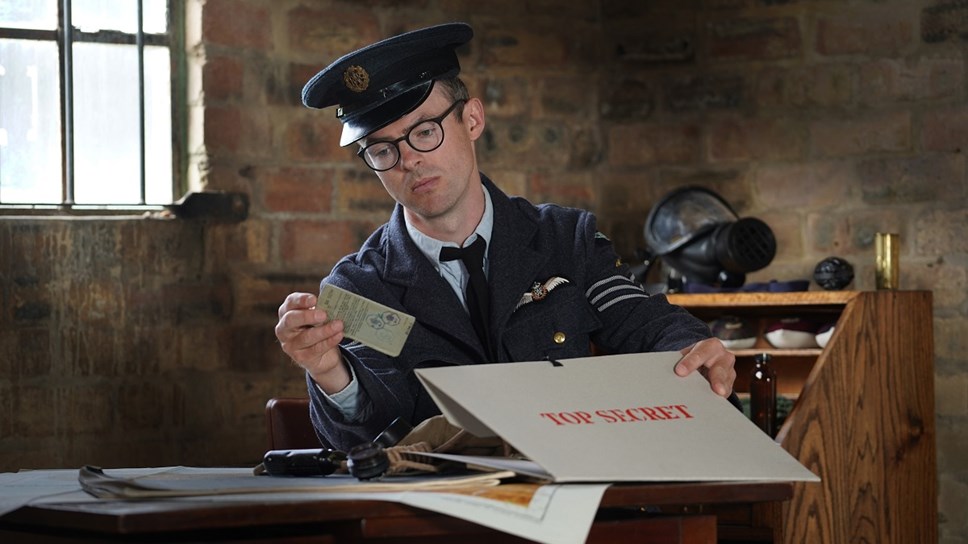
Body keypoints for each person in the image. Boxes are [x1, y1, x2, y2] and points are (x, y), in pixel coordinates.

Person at [275, 22, 736, 450]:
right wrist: (330, 371)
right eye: (381, 148)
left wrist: (689, 349)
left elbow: (642, 321)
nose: (408, 160)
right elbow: (371, 431)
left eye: (425, 131)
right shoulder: (361, 288)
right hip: (441, 513)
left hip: (573, 485)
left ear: (472, 120)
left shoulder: (566, 239)